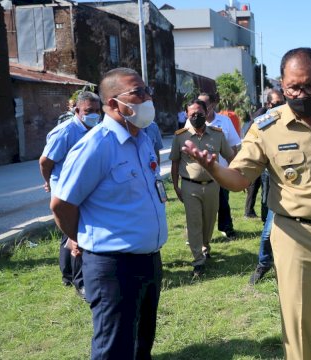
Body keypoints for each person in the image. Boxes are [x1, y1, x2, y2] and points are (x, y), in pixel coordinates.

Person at [181, 47, 311, 359]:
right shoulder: (266, 128)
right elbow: (239, 179)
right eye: (293, 87)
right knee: (299, 328)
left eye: (310, 86)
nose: (301, 93)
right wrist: (213, 168)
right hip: (294, 237)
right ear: (282, 85)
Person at [50, 68, 167, 359]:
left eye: (147, 90)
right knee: (113, 349)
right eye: (138, 92)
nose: (147, 98)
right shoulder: (97, 146)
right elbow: (62, 204)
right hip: (113, 266)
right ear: (113, 103)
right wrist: (82, 239)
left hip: (149, 260)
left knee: (142, 343)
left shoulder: (142, 140)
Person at [39, 91, 101, 299]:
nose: (94, 115)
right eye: (88, 111)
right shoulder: (66, 132)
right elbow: (45, 162)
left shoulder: (94, 129)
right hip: (66, 192)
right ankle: (80, 282)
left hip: (82, 188)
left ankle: (68, 275)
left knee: (70, 233)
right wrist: (48, 182)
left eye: (97, 111)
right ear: (77, 111)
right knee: (76, 234)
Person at [170, 99, 233, 276]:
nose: (196, 117)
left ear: (207, 113)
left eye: (199, 113)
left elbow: (230, 156)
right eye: (192, 115)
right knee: (194, 221)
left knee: (209, 221)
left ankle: (205, 247)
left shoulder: (217, 134)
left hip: (213, 186)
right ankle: (198, 260)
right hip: (190, 186)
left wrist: (237, 176)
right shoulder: (180, 136)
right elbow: (175, 163)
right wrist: (176, 187)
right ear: (186, 115)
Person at [188, 92, 242, 239]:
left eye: (205, 103)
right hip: (199, 174)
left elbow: (233, 147)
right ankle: (202, 235)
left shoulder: (224, 121)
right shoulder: (191, 121)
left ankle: (226, 228)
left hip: (222, 171)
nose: (201, 107)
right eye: (199, 103)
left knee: (223, 202)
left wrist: (236, 169)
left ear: (211, 105)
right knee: (199, 207)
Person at [244, 90, 285, 219]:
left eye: (282, 102)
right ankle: (265, 219)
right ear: (268, 104)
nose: (281, 105)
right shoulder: (263, 120)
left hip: (285, 166)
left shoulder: (288, 117)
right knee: (265, 194)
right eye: (277, 103)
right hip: (267, 165)